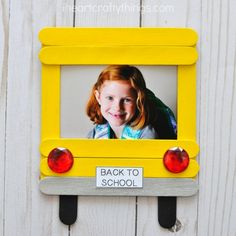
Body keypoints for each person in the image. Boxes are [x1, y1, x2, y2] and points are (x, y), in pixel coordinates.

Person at [86, 65, 176, 139]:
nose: (117, 107)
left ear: (138, 101)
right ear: (98, 97)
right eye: (110, 98)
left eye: (126, 100)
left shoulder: (147, 135)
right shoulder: (95, 134)